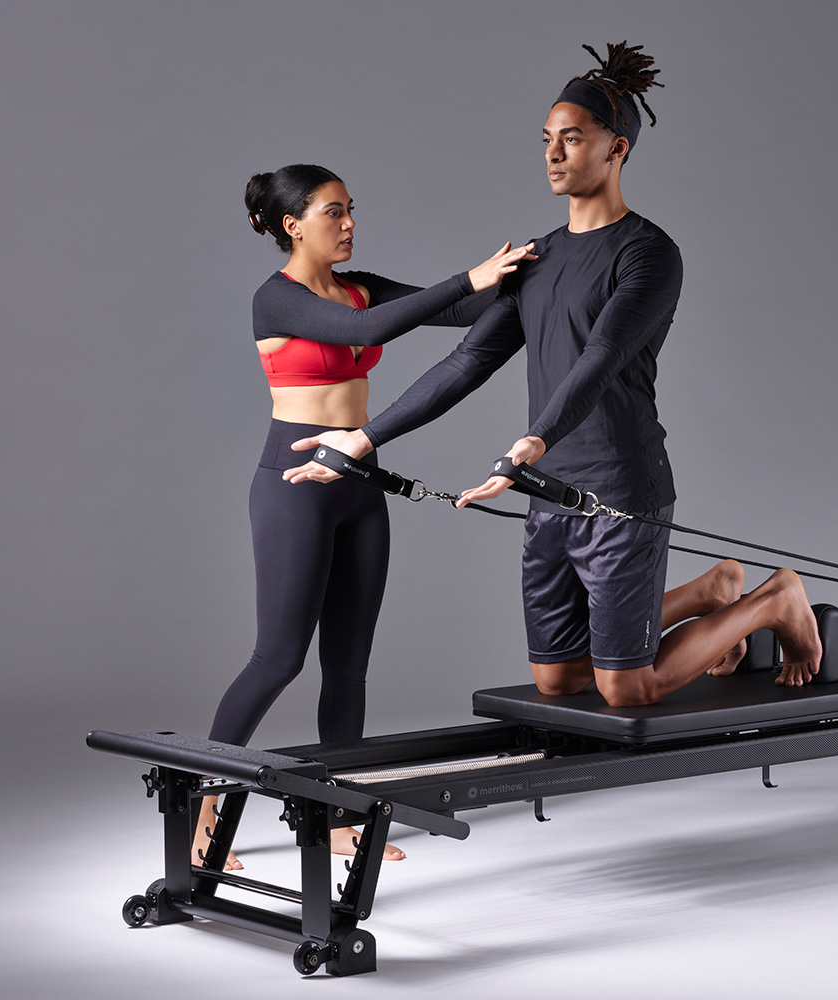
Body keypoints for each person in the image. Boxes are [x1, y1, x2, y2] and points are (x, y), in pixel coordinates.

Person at [284, 44, 822, 709]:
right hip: (545, 492)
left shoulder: (648, 253)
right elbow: (469, 359)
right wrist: (363, 441)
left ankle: (772, 600)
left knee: (626, 688)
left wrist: (531, 442)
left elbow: (602, 357)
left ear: (616, 149)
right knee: (558, 680)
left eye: (572, 138)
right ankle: (710, 592)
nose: (553, 154)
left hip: (619, 486)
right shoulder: (537, 260)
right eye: (546, 140)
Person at [196, 164, 534, 871]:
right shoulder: (277, 299)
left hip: (359, 484)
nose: (348, 223)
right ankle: (200, 812)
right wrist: (470, 276)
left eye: (351, 211)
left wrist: (536, 276)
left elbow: (458, 313)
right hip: (293, 486)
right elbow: (367, 327)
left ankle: (339, 816)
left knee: (348, 667)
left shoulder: (357, 282)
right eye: (333, 212)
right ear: (293, 225)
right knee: (278, 658)